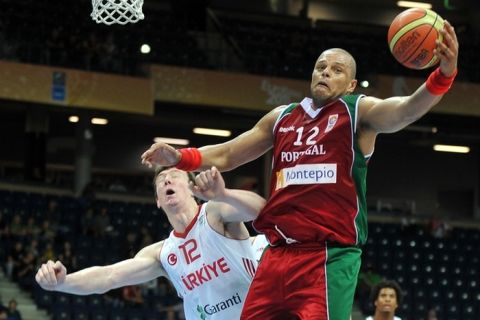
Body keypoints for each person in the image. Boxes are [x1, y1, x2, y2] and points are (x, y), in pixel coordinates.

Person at [141, 21, 459, 320]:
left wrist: (443, 75)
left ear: (350, 84)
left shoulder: (358, 112)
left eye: (336, 70)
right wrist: (180, 157)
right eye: (320, 67)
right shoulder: (283, 117)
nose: (325, 73)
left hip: (328, 256)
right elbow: (227, 153)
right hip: (277, 253)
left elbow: (404, 112)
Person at [35, 167, 267, 320]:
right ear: (158, 200)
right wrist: (62, 283)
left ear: (192, 189)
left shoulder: (215, 213)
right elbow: (108, 276)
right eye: (161, 180)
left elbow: (260, 209)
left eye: (175, 175)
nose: (167, 178)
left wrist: (223, 194)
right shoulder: (161, 254)